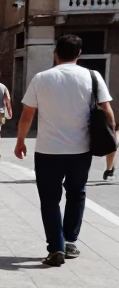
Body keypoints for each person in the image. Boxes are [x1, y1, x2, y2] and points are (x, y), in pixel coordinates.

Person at [15, 34, 116, 266]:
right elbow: (107, 110)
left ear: (55, 52)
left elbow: (27, 115)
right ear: (79, 54)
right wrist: (112, 137)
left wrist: (21, 141)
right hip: (81, 149)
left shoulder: (41, 78)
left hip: (47, 150)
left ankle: (56, 247)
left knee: (49, 199)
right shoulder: (93, 77)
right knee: (77, 193)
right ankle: (70, 241)